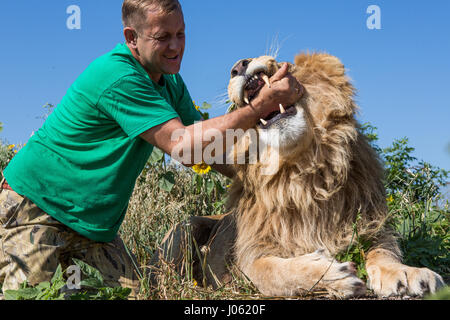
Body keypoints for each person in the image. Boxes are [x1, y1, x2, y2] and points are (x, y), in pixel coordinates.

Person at [0, 0, 303, 298]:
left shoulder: (170, 82)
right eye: (163, 38)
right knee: (31, 296)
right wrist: (259, 106)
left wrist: (268, 178)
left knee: (144, 295)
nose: (175, 47)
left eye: (180, 34)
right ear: (131, 38)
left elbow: (206, 151)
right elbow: (183, 145)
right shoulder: (118, 75)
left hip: (92, 228)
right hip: (34, 209)